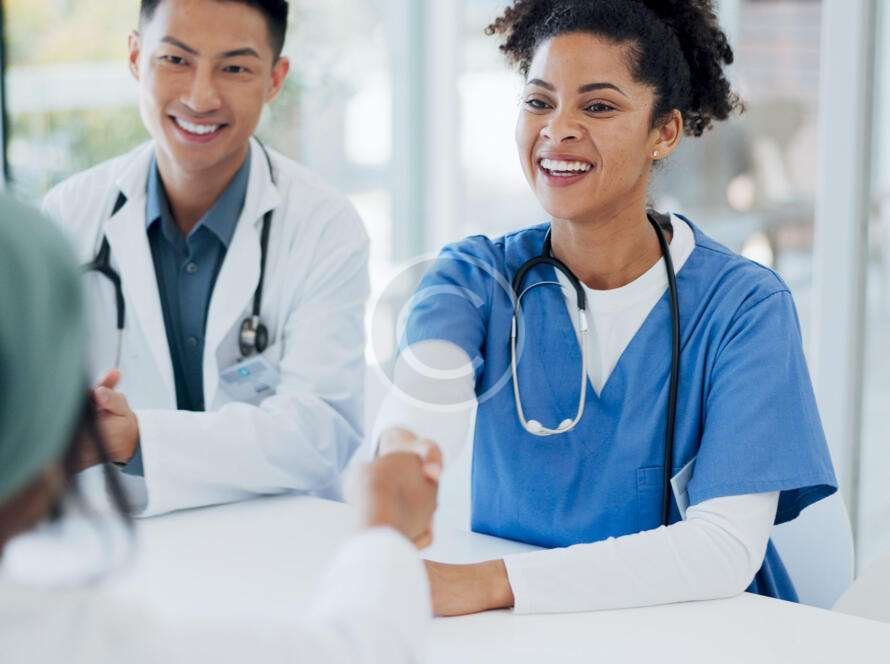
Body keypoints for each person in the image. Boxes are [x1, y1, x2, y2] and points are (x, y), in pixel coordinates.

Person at [374, 0, 837, 616]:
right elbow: (423, 403)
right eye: (539, 101)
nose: (557, 129)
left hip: (701, 630)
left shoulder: (744, 308)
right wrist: (403, 465)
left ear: (664, 131)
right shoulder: (474, 275)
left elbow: (723, 550)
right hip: (517, 635)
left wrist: (488, 584)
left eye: (598, 106)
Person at [0, 196, 440, 663]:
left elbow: (316, 428)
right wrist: (386, 525)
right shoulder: (61, 640)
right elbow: (358, 652)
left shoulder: (321, 222)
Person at [41, 0, 369, 516]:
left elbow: (321, 432)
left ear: (275, 79)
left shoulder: (324, 225)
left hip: (275, 543)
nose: (200, 96)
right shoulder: (68, 216)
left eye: (235, 68)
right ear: (134, 58)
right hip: (122, 538)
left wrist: (136, 437)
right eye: (175, 60)